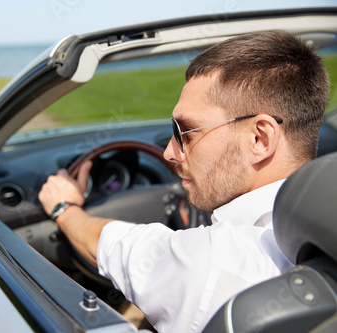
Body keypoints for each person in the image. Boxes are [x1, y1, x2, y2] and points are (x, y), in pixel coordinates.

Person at [38, 31, 330, 332]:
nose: (170, 152)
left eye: (186, 132)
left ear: (260, 138)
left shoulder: (211, 265)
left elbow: (114, 247)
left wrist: (64, 207)